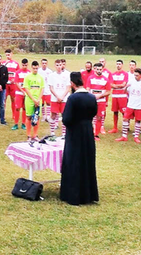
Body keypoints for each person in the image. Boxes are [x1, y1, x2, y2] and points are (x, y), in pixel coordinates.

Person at [60, 72, 99, 206]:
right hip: (88, 131)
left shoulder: (73, 99)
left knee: (74, 161)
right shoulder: (91, 97)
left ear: (72, 84)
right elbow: (94, 112)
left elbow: (67, 119)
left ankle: (73, 194)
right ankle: (89, 194)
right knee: (87, 161)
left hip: (75, 133)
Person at [116, 69, 141, 143]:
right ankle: (124, 136)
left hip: (139, 105)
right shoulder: (131, 81)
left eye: (137, 75)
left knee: (138, 120)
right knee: (125, 119)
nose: (135, 76)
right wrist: (126, 87)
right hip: (130, 104)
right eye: (134, 75)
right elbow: (125, 91)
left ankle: (136, 136)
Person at [22, 61, 44, 140]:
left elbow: (42, 89)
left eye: (37, 68)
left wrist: (38, 99)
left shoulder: (40, 77)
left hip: (38, 100)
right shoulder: (28, 77)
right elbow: (26, 89)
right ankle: (28, 134)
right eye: (34, 68)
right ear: (31, 67)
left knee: (37, 117)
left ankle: (35, 135)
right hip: (30, 100)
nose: (35, 70)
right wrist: (33, 99)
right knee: (29, 117)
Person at [87, 63, 111, 139]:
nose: (99, 71)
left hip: (101, 101)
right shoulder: (90, 78)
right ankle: (89, 133)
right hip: (91, 101)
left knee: (99, 117)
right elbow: (87, 89)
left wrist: (99, 96)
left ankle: (96, 134)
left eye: (100, 69)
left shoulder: (105, 79)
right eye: (97, 69)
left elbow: (108, 91)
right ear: (94, 69)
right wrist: (91, 96)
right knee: (89, 117)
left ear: (102, 69)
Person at [49, 59, 71, 137]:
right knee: (53, 115)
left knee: (64, 115)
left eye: (60, 65)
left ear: (62, 65)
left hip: (64, 99)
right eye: (57, 65)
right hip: (55, 98)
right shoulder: (52, 75)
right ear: (55, 66)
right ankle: (52, 133)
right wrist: (57, 96)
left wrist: (62, 97)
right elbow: (51, 88)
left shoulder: (67, 75)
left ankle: (64, 134)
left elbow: (68, 87)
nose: (59, 67)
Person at [109, 60, 129, 134]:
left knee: (124, 112)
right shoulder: (113, 74)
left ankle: (125, 127)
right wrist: (118, 86)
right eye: (117, 64)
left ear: (122, 65)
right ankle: (115, 127)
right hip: (114, 95)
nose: (118, 65)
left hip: (122, 96)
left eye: (119, 64)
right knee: (115, 111)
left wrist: (115, 86)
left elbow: (124, 84)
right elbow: (111, 84)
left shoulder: (125, 74)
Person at [3, 49, 20, 127]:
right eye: (6, 55)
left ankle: (14, 115)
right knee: (4, 100)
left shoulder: (15, 64)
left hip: (13, 85)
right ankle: (3, 116)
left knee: (13, 99)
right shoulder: (3, 63)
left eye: (9, 54)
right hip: (6, 84)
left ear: (12, 54)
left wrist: (15, 79)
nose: (8, 56)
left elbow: (18, 73)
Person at [12, 58, 30, 130]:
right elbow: (16, 83)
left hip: (26, 93)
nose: (24, 66)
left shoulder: (29, 73)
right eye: (23, 65)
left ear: (27, 64)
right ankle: (16, 123)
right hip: (19, 93)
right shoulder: (18, 72)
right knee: (17, 108)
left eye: (26, 65)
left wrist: (27, 92)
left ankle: (23, 123)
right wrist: (22, 91)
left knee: (25, 108)